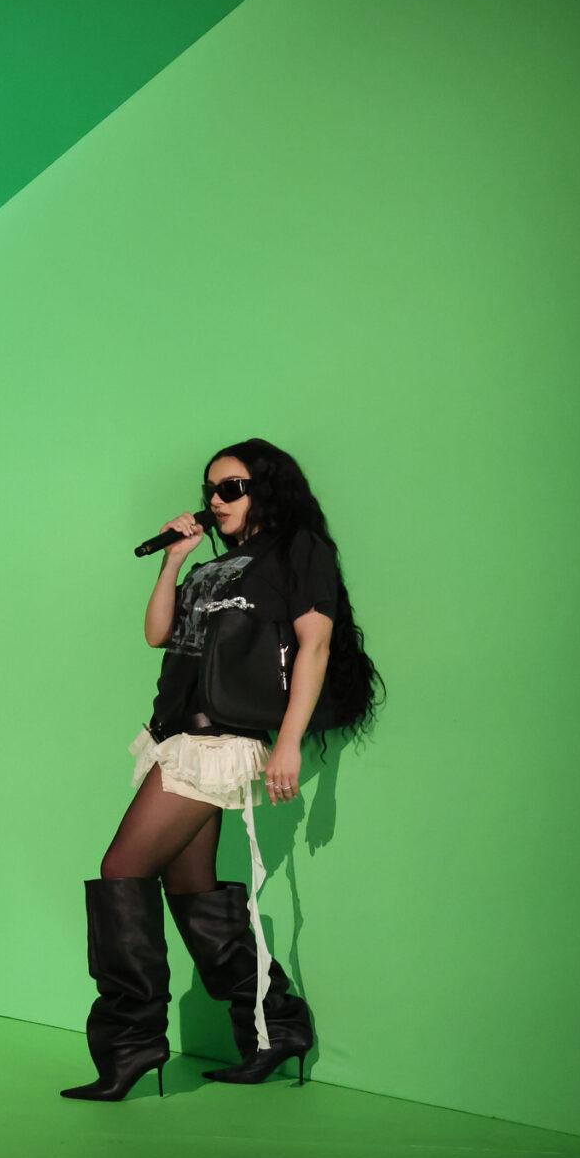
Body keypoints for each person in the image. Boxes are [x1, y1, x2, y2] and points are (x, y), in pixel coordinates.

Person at [60, 440, 384, 1103]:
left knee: (122, 869)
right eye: (210, 489)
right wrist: (175, 560)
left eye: (230, 487)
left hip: (219, 740)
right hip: (176, 734)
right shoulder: (216, 565)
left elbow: (315, 644)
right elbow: (158, 633)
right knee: (192, 890)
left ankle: (131, 1044)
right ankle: (276, 1028)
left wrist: (289, 742)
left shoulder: (299, 550)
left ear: (266, 489)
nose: (215, 500)